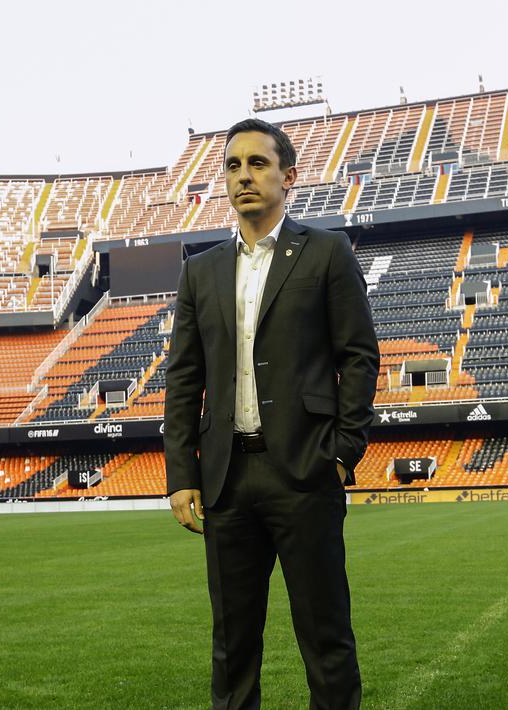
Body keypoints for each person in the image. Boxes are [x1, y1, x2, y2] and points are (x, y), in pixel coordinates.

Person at [162, 117, 379, 709]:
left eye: (257, 163)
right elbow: (182, 379)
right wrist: (182, 475)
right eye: (233, 166)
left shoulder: (327, 253)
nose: (243, 177)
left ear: (289, 176)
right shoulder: (199, 271)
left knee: (325, 638)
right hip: (227, 481)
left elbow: (358, 357)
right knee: (231, 649)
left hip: (305, 472)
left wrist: (341, 452)